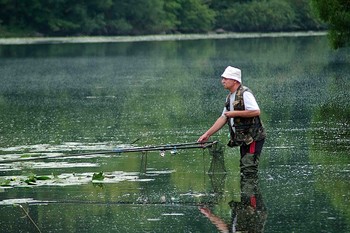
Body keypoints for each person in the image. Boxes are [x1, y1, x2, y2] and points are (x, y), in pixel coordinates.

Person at [198, 66, 266, 178]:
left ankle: (251, 194)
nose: (222, 81)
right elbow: (223, 118)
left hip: (254, 137)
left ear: (235, 81)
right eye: (222, 78)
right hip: (244, 139)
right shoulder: (230, 97)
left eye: (226, 78)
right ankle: (247, 195)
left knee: (249, 167)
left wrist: (234, 114)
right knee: (245, 167)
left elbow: (255, 111)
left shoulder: (245, 93)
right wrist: (207, 134)